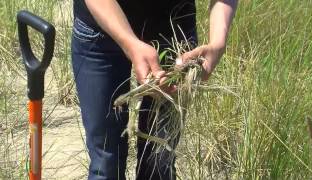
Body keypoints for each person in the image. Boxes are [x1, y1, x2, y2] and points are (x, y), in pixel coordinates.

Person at [71, 0, 237, 179]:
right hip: (100, 31)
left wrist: (218, 43)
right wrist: (129, 42)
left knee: (159, 161)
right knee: (105, 164)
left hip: (174, 36)